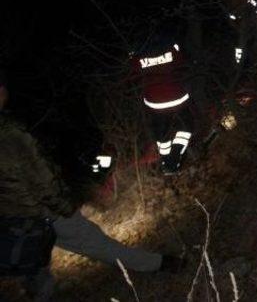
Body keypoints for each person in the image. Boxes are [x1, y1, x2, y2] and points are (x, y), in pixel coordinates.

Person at [0, 93, 177, 300]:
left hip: (12, 218)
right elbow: (41, 178)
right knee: (93, 245)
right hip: (41, 213)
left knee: (32, 266)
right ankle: (159, 263)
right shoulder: (10, 133)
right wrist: (64, 206)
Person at [131, 26, 193, 175]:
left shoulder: (137, 55)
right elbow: (181, 61)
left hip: (154, 103)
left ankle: (166, 163)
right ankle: (175, 157)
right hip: (177, 98)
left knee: (161, 135)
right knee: (187, 126)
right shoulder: (170, 47)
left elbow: (133, 74)